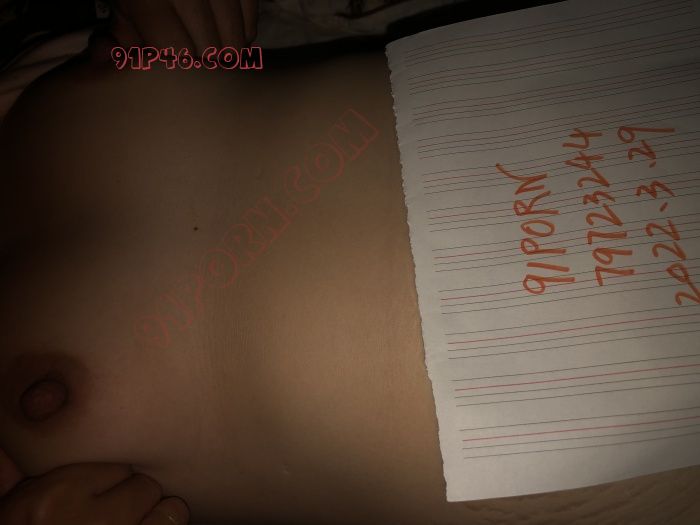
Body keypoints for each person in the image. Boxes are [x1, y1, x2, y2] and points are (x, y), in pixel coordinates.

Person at [1, 8, 700, 525]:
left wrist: (189, 31)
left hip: (616, 113)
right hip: (621, 419)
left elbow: (225, 58)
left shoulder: (29, 87)